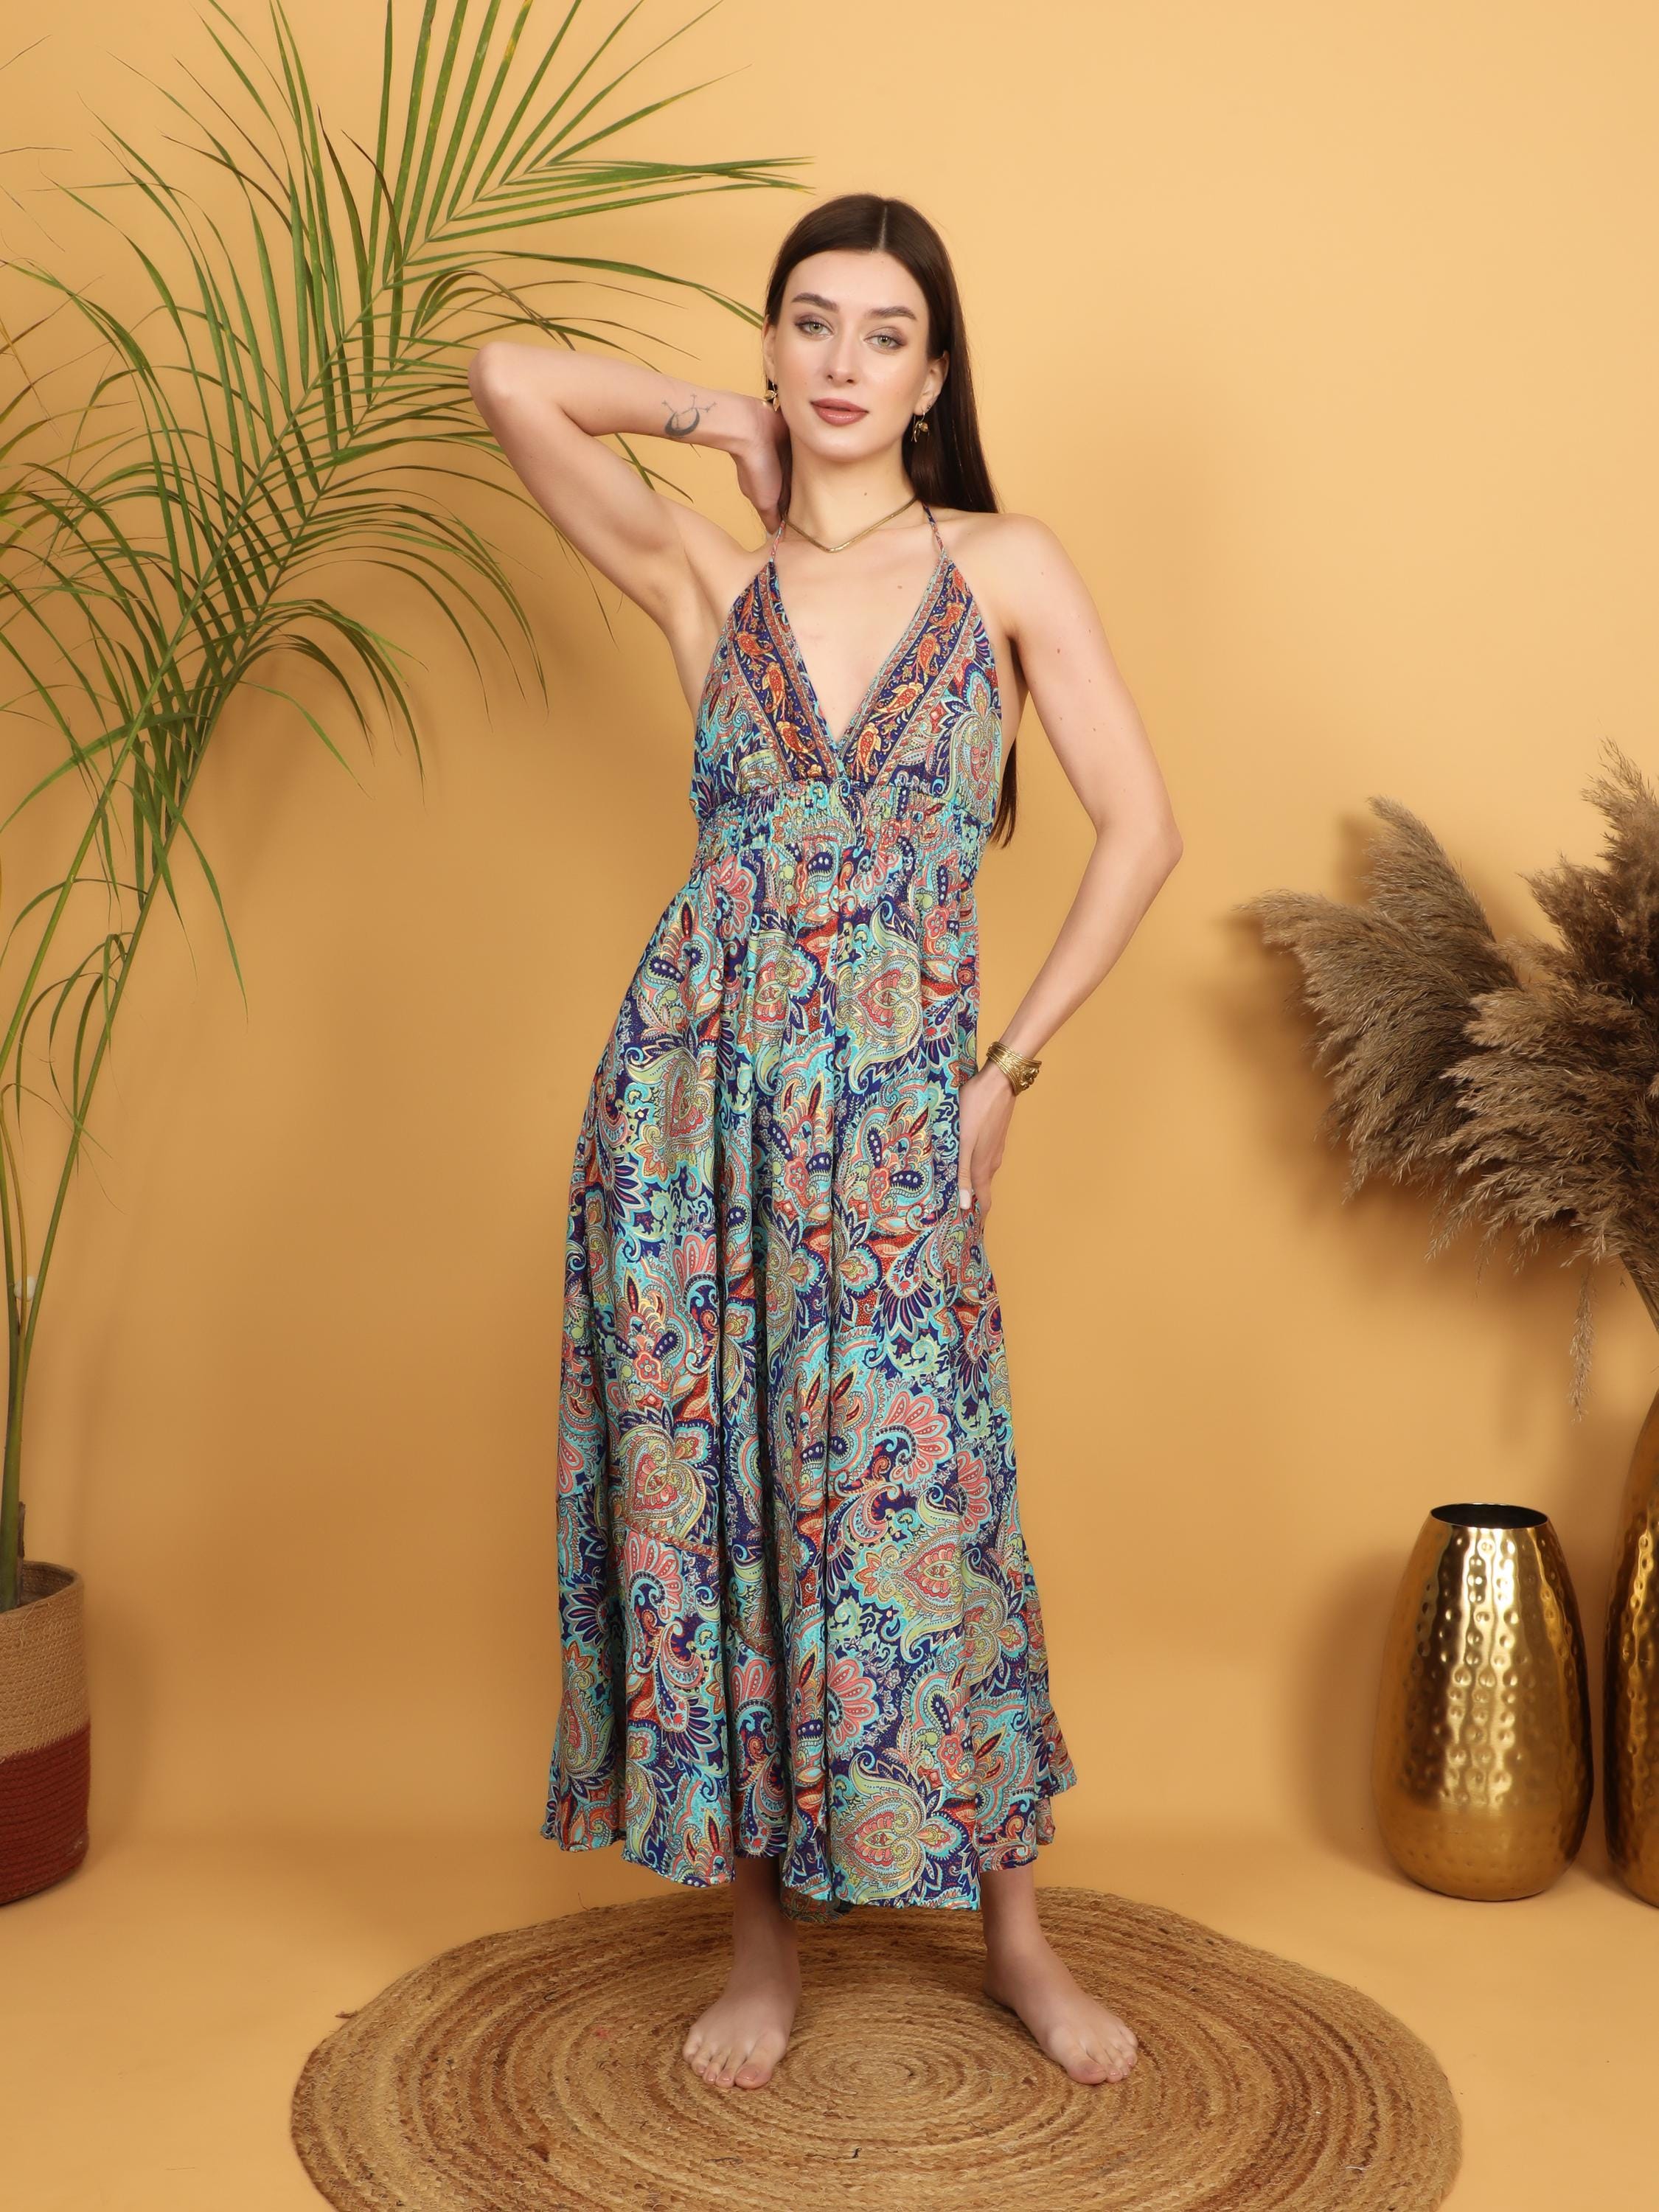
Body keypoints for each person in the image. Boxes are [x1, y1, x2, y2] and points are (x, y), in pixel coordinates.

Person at [468, 192, 1181, 2096]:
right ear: (774, 344)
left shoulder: (1004, 566)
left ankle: (1014, 1939)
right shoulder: (708, 580)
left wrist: (1004, 1073)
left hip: (896, 1119)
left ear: (936, 376)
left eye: (884, 334)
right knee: (717, 1504)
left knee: (929, 1498)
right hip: (688, 1111)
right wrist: (713, 420)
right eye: (810, 324)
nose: (844, 363)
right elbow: (508, 376)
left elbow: (1142, 830)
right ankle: (759, 1945)